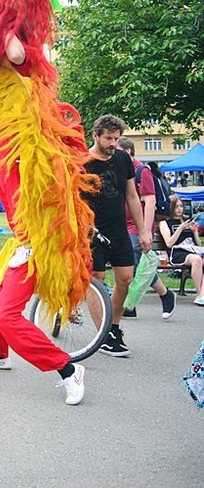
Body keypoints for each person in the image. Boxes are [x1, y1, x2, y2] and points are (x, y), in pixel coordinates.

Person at [83, 115, 151, 357]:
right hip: (92, 230)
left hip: (118, 229)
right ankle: (104, 335)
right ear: (96, 136)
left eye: (116, 138)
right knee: (97, 279)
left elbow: (132, 196)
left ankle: (113, 327)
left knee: (125, 278)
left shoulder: (122, 158)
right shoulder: (82, 161)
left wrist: (143, 230)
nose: (113, 143)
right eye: (108, 139)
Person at [117, 137, 176, 319]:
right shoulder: (121, 170)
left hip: (138, 225)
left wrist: (146, 231)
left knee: (132, 262)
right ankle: (158, 296)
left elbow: (150, 202)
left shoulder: (142, 171)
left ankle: (157, 297)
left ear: (128, 152)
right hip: (123, 224)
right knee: (130, 264)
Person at [160, 199, 204, 306]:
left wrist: (194, 232)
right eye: (176, 207)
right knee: (197, 260)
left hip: (192, 251)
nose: (180, 209)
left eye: (181, 206)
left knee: (198, 258)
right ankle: (199, 294)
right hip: (177, 252)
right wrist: (179, 229)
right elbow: (169, 243)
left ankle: (202, 295)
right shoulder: (165, 223)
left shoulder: (187, 222)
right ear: (171, 208)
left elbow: (198, 246)